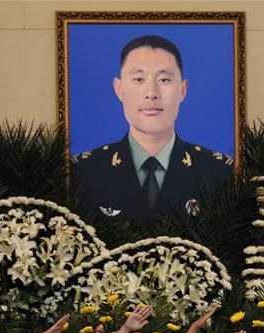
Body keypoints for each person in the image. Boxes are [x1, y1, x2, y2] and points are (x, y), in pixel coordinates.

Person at [71, 34, 233, 226]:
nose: (151, 93)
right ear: (119, 88)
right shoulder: (83, 173)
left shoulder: (218, 173)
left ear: (183, 89)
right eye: (139, 79)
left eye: (164, 80)